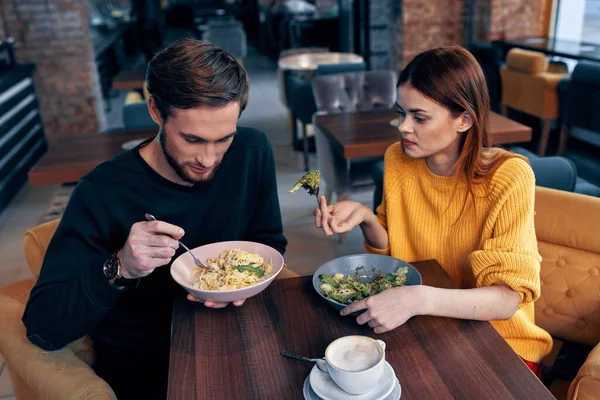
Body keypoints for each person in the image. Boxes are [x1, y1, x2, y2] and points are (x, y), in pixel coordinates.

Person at [22, 38, 287, 399]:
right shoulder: (102, 191)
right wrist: (121, 267)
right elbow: (43, 327)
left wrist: (244, 283)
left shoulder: (252, 152)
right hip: (147, 363)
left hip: (235, 331)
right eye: (192, 139)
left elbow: (269, 240)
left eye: (224, 139)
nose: (209, 159)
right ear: (155, 111)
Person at [315, 46, 552, 378]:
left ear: (464, 119)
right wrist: (367, 217)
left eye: (419, 117)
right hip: (426, 327)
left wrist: (418, 299)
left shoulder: (508, 177)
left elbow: (506, 300)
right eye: (401, 113)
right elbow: (395, 248)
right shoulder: (398, 158)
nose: (403, 127)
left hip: (501, 343)